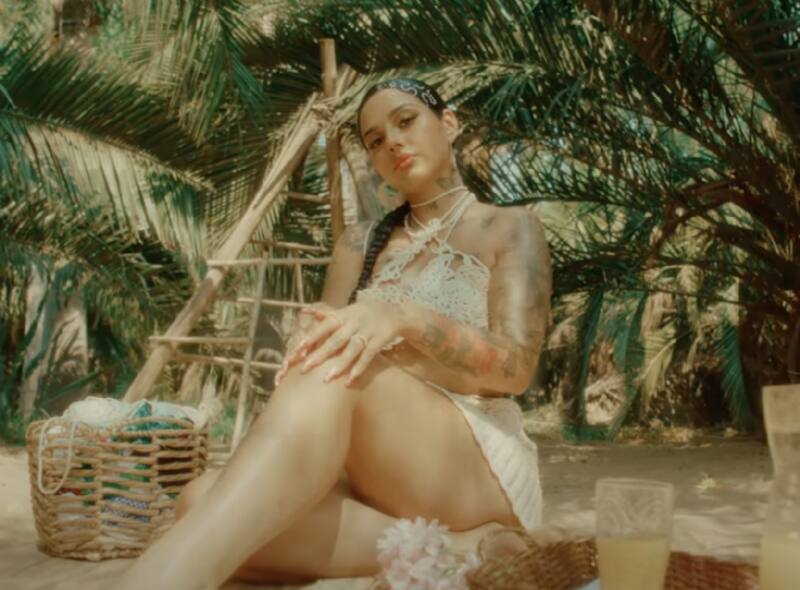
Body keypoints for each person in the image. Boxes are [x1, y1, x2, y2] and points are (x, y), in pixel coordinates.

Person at [114, 78, 552, 589]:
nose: (392, 142)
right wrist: (308, 333)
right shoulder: (358, 244)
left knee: (340, 360)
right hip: (366, 475)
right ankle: (464, 548)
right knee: (197, 499)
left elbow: (516, 370)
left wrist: (404, 317)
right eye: (375, 140)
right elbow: (318, 367)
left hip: (470, 463)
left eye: (406, 121)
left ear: (449, 123)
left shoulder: (509, 226)